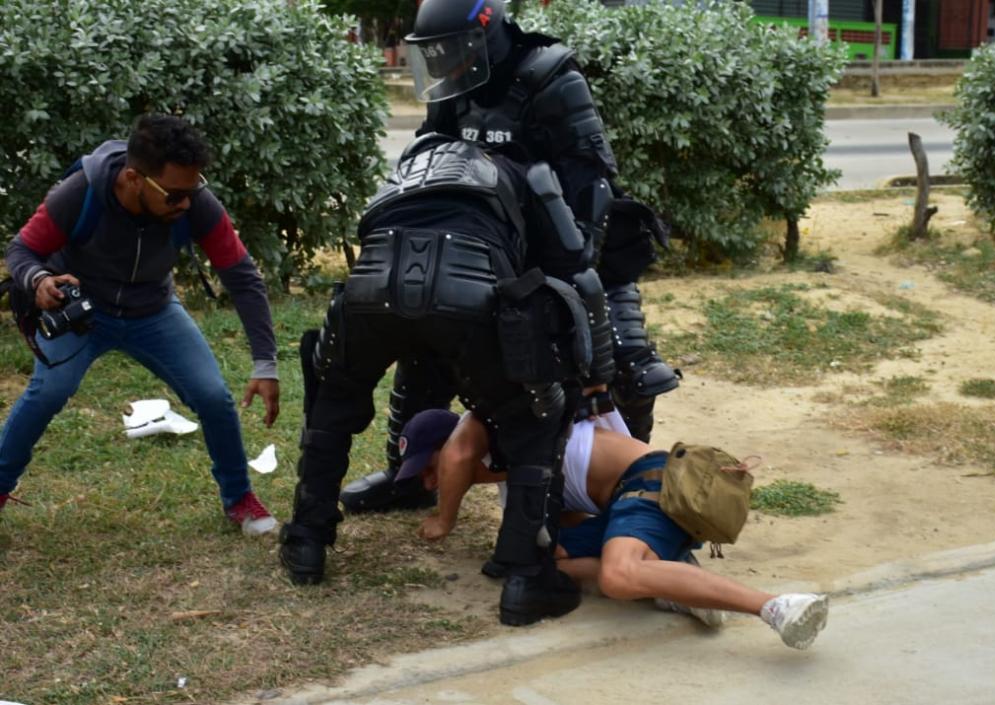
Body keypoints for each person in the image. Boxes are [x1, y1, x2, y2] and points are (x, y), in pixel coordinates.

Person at [338, 0, 679, 515]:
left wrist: (576, 258)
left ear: (485, 33)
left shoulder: (549, 78)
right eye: (435, 53)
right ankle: (408, 475)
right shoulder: (456, 86)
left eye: (452, 50)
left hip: (571, 245)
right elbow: (430, 153)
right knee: (426, 334)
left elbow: (593, 180)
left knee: (629, 364)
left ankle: (632, 486)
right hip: (491, 241)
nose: (444, 63)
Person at [279, 134, 618, 626]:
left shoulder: (417, 163)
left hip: (371, 283)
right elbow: (574, 264)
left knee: (331, 404)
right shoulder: (529, 172)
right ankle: (525, 573)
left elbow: (369, 225)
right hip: (468, 289)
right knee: (535, 420)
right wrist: (595, 374)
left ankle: (307, 543)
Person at [0, 114, 280, 534]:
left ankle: (239, 497)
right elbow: (22, 250)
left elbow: (241, 275)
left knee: (212, 396)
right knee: (47, 392)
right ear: (134, 178)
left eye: (192, 190)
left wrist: (265, 363)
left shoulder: (195, 199)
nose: (186, 203)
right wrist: (38, 280)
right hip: (83, 314)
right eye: (174, 195)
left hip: (154, 310)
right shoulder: (80, 193)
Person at [407, 408, 831, 650]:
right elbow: (565, 531)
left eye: (431, 468)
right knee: (544, 563)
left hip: (651, 483)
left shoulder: (513, 422)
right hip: (625, 505)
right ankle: (672, 579)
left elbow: (461, 455)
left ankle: (776, 606)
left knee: (618, 574)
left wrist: (444, 518)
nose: (430, 482)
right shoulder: (518, 473)